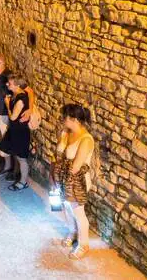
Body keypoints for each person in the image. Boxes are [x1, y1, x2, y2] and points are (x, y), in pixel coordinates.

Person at [52, 104, 96, 260]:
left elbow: (76, 166)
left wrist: (60, 171)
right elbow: (58, 153)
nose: (62, 120)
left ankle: (84, 244)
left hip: (77, 181)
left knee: (78, 211)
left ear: (74, 119)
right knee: (66, 207)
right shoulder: (66, 133)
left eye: (64, 117)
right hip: (63, 176)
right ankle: (72, 232)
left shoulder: (86, 140)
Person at [0, 74, 31, 191]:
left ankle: (23, 181)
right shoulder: (15, 94)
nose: (7, 84)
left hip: (20, 132)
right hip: (13, 130)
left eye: (10, 83)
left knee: (22, 158)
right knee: (3, 151)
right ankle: (13, 170)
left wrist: (7, 104)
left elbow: (13, 117)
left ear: (17, 85)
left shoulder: (21, 99)